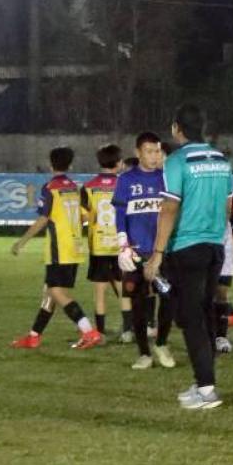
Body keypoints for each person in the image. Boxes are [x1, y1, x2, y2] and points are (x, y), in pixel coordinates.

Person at [143, 105, 233, 409]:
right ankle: (202, 382)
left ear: (176, 128)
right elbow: (227, 207)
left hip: (187, 247)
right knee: (202, 313)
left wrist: (157, 253)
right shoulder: (221, 160)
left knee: (191, 317)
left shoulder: (177, 161)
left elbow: (169, 208)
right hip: (215, 245)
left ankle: (207, 390)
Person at [10, 146, 103, 350]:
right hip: (75, 248)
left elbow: (44, 218)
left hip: (59, 249)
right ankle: (34, 336)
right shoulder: (74, 188)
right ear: (70, 166)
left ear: (51, 165)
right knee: (49, 294)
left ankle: (89, 331)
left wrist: (21, 241)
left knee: (56, 292)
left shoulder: (50, 188)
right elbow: (88, 216)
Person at [113, 132, 175, 369]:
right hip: (137, 252)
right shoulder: (126, 180)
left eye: (157, 151)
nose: (154, 156)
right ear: (138, 153)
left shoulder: (167, 178)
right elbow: (120, 215)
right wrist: (123, 245)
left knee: (169, 297)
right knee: (138, 303)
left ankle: (161, 343)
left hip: (163, 250)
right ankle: (144, 353)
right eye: (149, 151)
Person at [79, 144, 129, 338]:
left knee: (99, 292)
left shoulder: (88, 186)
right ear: (119, 163)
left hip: (98, 246)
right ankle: (127, 331)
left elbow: (83, 217)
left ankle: (99, 332)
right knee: (123, 289)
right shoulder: (125, 183)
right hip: (120, 245)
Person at [212, 196, 233, 353]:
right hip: (201, 245)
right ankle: (205, 335)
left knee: (222, 293)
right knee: (203, 294)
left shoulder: (228, 193)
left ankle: (221, 337)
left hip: (225, 248)